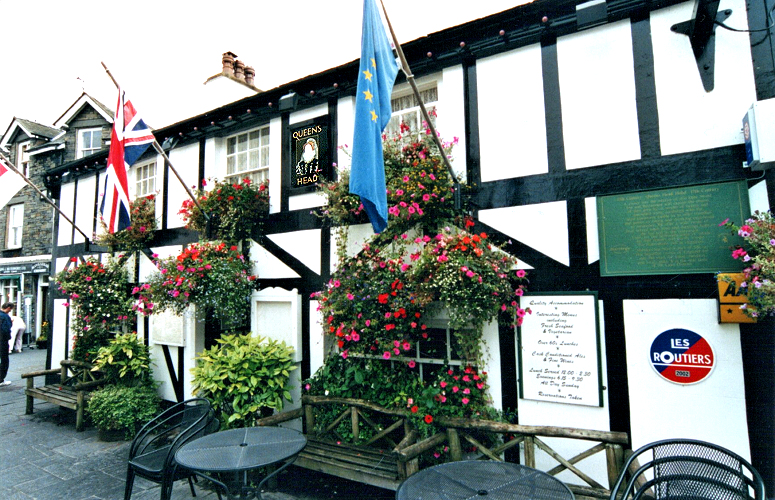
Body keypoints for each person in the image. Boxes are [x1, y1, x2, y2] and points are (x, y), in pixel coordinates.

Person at [0, 302, 12, 387]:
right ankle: (1, 379)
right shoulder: (5, 317)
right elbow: (6, 329)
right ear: (8, 308)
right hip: (2, 340)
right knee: (4, 360)